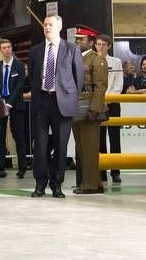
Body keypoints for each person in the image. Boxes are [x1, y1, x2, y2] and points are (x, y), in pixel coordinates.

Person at [28, 15, 84, 198]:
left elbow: (78, 79)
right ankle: (40, 183)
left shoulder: (71, 49)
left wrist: (68, 95)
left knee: (61, 145)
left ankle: (57, 184)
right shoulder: (35, 51)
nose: (47, 27)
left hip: (62, 103)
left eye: (50, 24)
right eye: (45, 24)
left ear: (60, 26)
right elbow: (33, 79)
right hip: (42, 102)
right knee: (41, 146)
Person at [73, 26, 108, 194]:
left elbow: (100, 87)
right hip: (76, 110)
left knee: (90, 150)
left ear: (92, 42)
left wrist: (94, 110)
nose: (78, 41)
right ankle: (91, 183)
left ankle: (91, 185)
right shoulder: (76, 58)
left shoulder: (97, 60)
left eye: (81, 39)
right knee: (81, 149)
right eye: (77, 39)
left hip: (89, 111)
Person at [0, 39, 27, 179]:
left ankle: (22, 167)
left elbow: (20, 86)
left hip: (16, 105)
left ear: (11, 48)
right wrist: (1, 102)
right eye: (4, 48)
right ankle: (1, 168)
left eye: (9, 47)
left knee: (18, 135)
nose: (7, 50)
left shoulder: (19, 65)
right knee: (0, 136)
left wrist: (9, 103)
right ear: (0, 50)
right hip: (0, 104)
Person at [97, 34, 122, 184]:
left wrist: (109, 99)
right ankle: (102, 171)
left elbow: (119, 84)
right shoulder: (92, 61)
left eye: (103, 44)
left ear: (109, 46)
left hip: (113, 104)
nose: (101, 47)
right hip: (97, 105)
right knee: (99, 140)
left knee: (115, 139)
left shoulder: (116, 61)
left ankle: (116, 171)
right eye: (98, 44)